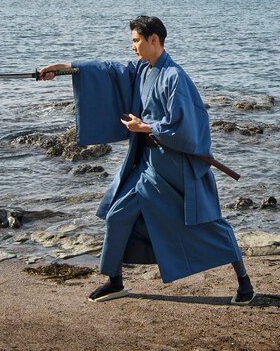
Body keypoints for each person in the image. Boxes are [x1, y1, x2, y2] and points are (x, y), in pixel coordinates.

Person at [39, 15, 255, 304]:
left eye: (136, 41)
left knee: (208, 225)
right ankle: (115, 282)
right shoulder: (143, 69)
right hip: (146, 165)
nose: (133, 47)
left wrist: (148, 127)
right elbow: (109, 72)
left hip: (172, 167)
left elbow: (187, 124)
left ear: (154, 39)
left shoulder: (174, 77)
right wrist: (65, 68)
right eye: (132, 42)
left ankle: (245, 284)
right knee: (117, 215)